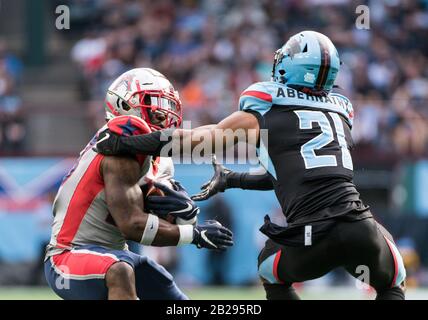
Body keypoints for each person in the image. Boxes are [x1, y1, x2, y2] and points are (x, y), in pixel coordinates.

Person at [94, 31, 406, 300]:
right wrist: (233, 179)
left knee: (269, 269)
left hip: (314, 234)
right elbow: (296, 174)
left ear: (291, 65)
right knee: (392, 279)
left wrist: (129, 143)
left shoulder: (266, 107)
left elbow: (197, 139)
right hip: (359, 226)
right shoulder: (340, 115)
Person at [44, 68, 233, 300]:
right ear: (124, 105)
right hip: (68, 256)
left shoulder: (159, 160)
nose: (163, 114)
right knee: (119, 271)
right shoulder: (119, 144)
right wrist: (194, 234)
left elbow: (161, 225)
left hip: (115, 254)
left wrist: (186, 214)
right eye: (152, 102)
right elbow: (132, 225)